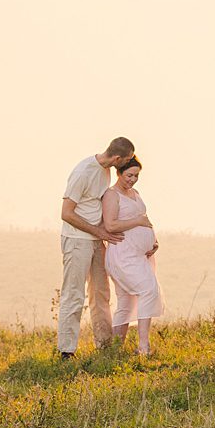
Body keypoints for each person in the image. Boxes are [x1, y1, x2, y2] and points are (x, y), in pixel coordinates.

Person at [56, 136, 132, 358]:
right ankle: (66, 351)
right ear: (117, 158)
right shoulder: (83, 172)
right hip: (77, 240)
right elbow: (66, 213)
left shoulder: (106, 170)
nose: (126, 164)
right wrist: (98, 231)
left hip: (96, 239)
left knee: (101, 292)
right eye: (125, 160)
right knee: (74, 293)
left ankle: (105, 346)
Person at [102, 154, 163, 356]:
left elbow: (144, 219)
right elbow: (110, 225)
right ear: (118, 172)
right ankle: (143, 347)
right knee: (148, 290)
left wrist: (153, 241)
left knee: (127, 301)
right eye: (129, 175)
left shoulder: (134, 192)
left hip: (139, 255)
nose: (133, 179)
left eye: (136, 175)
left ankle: (115, 349)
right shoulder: (112, 195)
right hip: (123, 255)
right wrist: (138, 222)